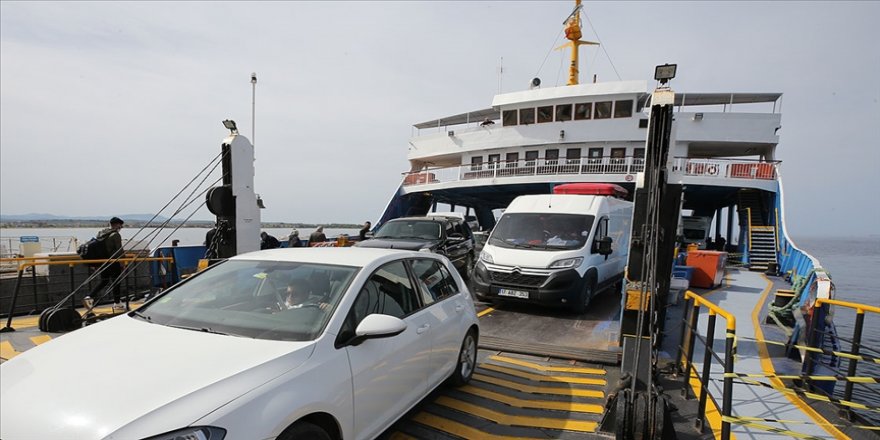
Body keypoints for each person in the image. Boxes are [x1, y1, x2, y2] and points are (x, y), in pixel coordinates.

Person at [89, 217, 125, 310]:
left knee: (104, 281)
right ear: (117, 224)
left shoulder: (101, 233)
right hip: (113, 262)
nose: (121, 227)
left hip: (102, 262)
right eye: (120, 225)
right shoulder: (115, 235)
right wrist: (123, 262)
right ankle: (117, 303)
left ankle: (90, 297)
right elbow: (119, 250)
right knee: (116, 282)